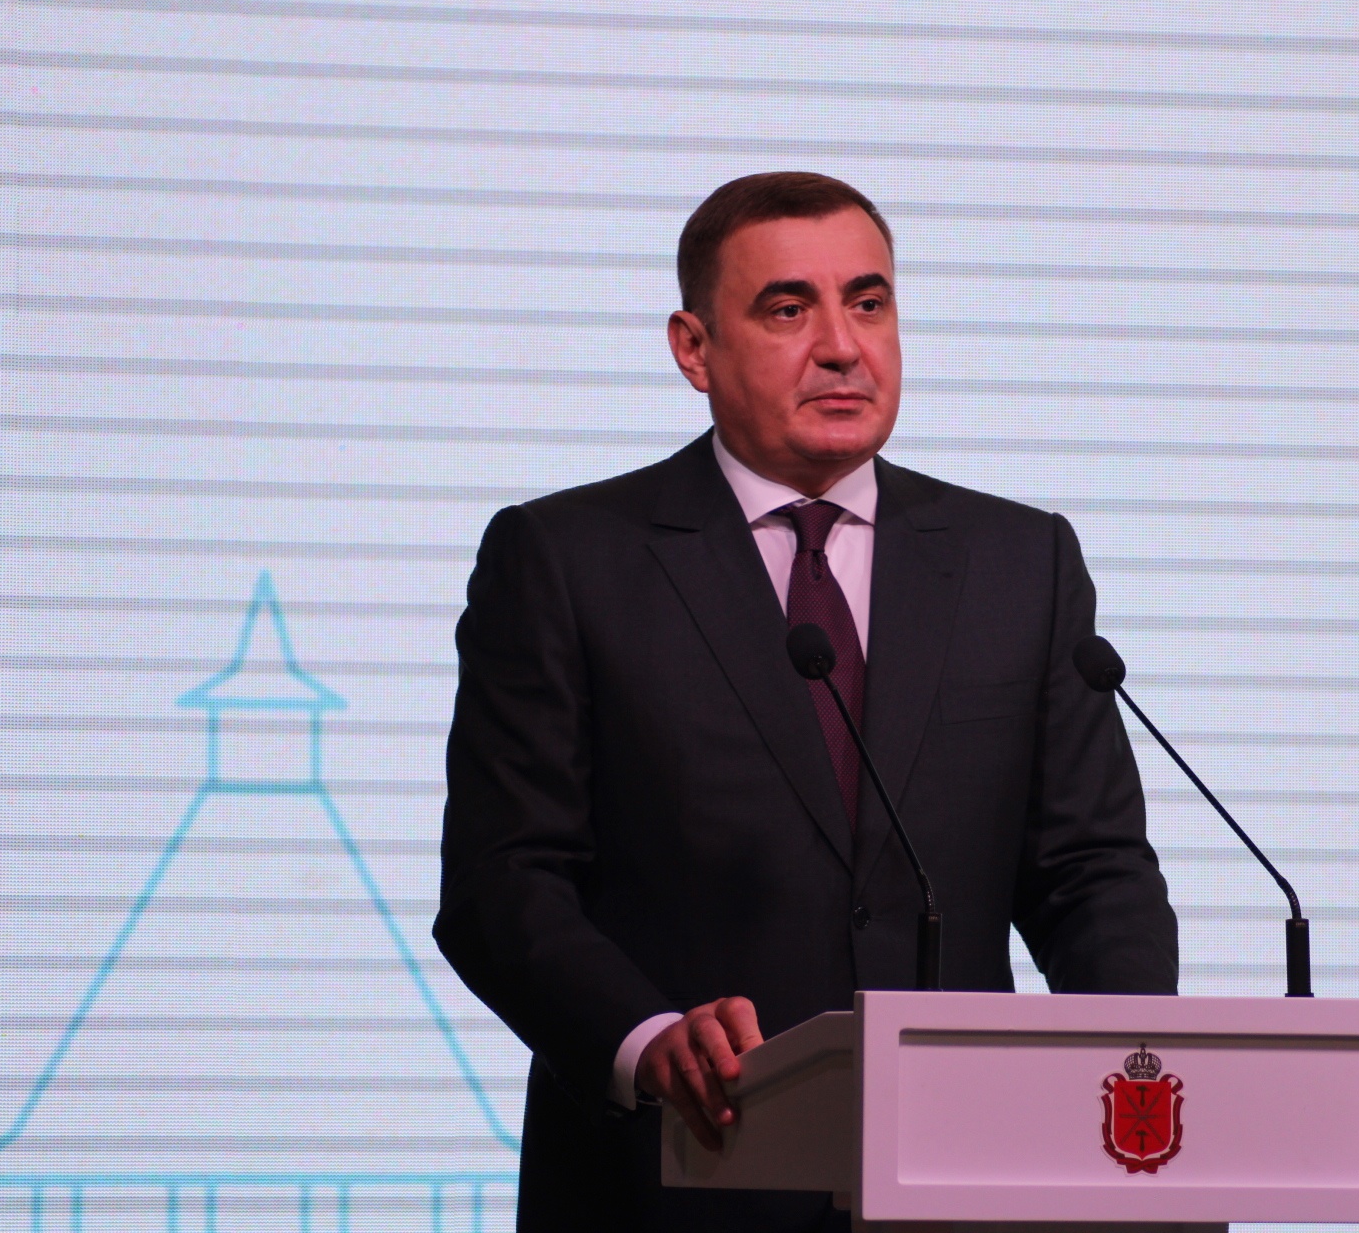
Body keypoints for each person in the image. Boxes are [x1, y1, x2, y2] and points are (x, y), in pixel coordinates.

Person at [435, 172, 1178, 1232]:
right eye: (788, 309)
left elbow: (1091, 872)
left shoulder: (1022, 561)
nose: (841, 346)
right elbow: (503, 884)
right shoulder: (566, 560)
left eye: (868, 303)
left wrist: (1131, 1077)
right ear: (694, 348)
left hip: (963, 1188)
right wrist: (646, 1039)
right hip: (678, 1180)